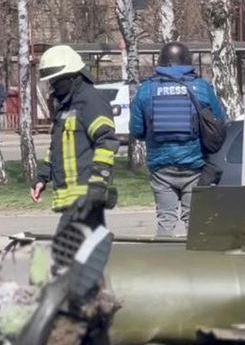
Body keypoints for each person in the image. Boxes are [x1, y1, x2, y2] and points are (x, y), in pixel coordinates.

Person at [130, 41, 227, 237]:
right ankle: (194, 263)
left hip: (161, 166)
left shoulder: (146, 89)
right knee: (194, 221)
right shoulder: (201, 87)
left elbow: (137, 130)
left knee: (165, 219)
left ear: (161, 62)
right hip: (195, 164)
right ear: (187, 60)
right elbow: (220, 121)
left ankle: (164, 263)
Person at [30, 45, 120, 235]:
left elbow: (106, 141)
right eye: (51, 81)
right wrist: (42, 178)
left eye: (56, 80)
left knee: (71, 255)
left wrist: (99, 181)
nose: (53, 85)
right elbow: (56, 148)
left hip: (86, 194)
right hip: (71, 197)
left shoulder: (91, 101)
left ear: (72, 75)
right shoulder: (65, 105)